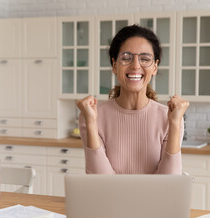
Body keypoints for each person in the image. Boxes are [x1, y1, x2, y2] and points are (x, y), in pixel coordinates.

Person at [76, 24, 189, 174]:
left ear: (155, 67)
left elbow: (169, 183)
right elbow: (100, 182)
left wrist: (174, 124)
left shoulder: (170, 118)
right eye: (126, 58)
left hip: (155, 198)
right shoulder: (92, 116)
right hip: (109, 198)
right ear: (114, 65)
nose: (135, 66)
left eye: (145, 58)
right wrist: (91, 123)